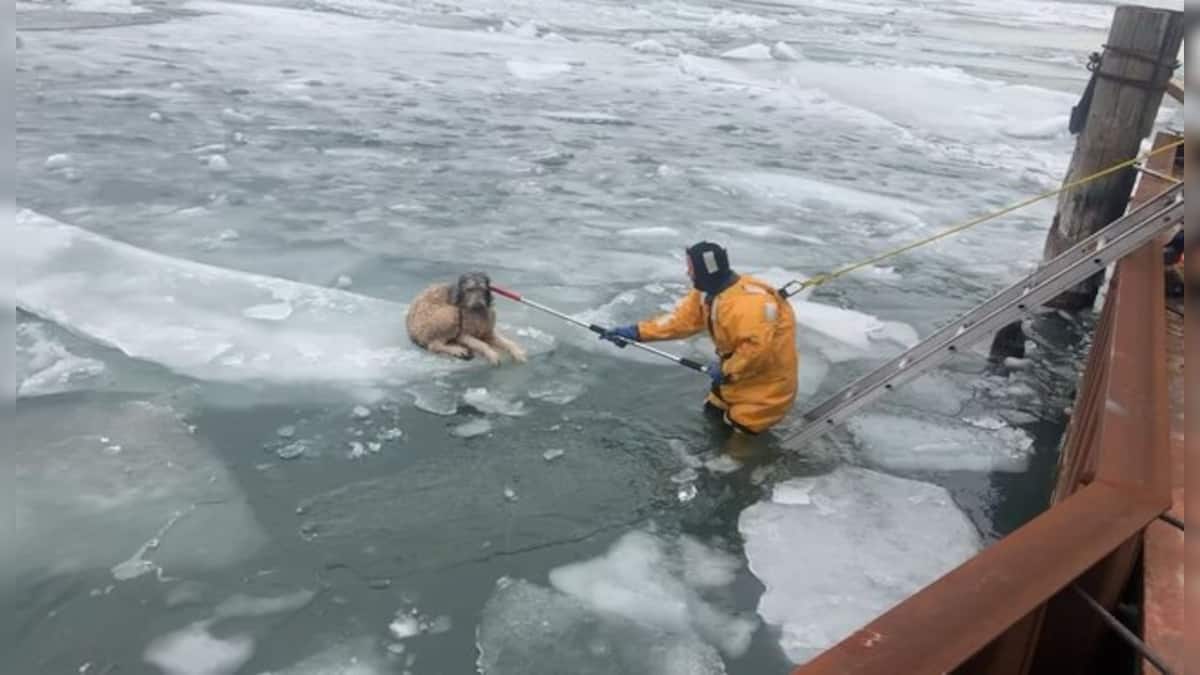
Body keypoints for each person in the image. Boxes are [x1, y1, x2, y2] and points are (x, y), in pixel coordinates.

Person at [600, 241, 798, 436]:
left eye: (691, 268)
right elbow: (682, 321)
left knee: (742, 432)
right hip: (735, 377)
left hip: (766, 386)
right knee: (713, 414)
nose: (688, 273)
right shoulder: (707, 292)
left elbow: (756, 349)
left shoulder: (749, 305)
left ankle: (742, 464)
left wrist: (727, 369)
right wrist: (637, 332)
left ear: (706, 271)